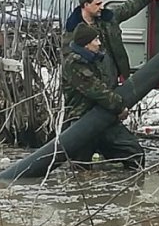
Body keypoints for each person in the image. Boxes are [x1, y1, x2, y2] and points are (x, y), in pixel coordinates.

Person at [61, 22, 146, 170]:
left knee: (134, 154)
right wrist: (120, 107)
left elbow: (108, 86)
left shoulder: (96, 60)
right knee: (80, 169)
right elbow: (98, 91)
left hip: (104, 118)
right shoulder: (74, 64)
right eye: (95, 40)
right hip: (82, 123)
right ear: (86, 44)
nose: (99, 43)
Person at [63, 0, 158, 87]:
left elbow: (128, 7)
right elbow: (69, 63)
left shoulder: (108, 18)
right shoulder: (72, 30)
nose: (102, 7)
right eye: (98, 4)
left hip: (112, 80)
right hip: (91, 86)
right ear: (86, 5)